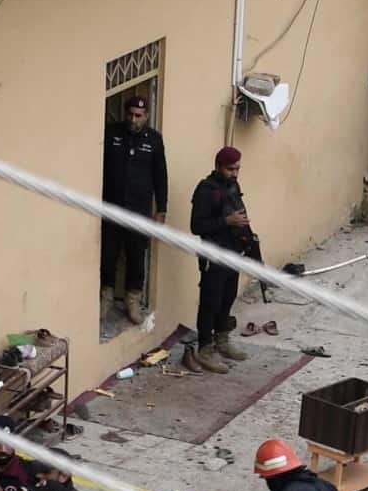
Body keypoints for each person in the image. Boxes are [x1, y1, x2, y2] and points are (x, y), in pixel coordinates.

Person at [186, 146, 259, 370]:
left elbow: (241, 216)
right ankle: (205, 348)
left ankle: (222, 340)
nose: (234, 173)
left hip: (233, 253)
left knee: (227, 298)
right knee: (210, 302)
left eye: (237, 169)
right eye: (230, 169)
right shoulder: (206, 190)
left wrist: (249, 244)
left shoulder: (233, 186)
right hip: (213, 255)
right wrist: (227, 222)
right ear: (218, 166)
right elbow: (196, 226)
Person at [100, 91, 169, 323]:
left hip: (139, 212)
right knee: (108, 255)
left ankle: (133, 301)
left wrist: (161, 208)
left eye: (139, 115)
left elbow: (161, 176)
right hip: (111, 208)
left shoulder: (154, 140)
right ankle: (106, 298)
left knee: (136, 258)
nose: (133, 119)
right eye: (130, 114)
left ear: (146, 116)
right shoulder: (111, 134)